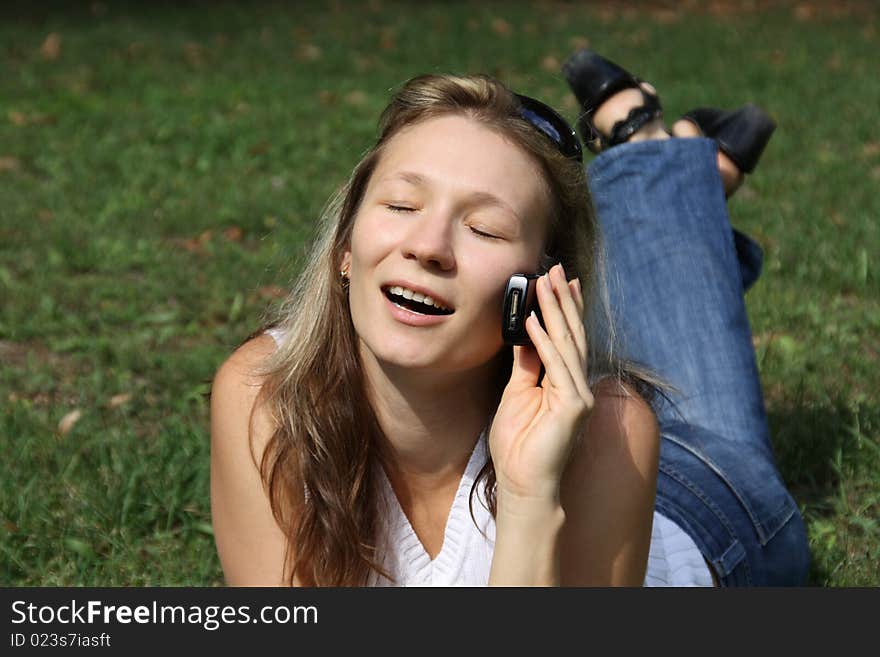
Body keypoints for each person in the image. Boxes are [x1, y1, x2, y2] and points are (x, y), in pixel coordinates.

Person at [209, 50, 810, 586]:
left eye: (484, 228)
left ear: (541, 287)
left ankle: (658, 160)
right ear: (345, 245)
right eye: (400, 204)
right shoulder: (268, 396)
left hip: (705, 509)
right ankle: (667, 167)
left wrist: (528, 495)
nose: (428, 245)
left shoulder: (612, 431)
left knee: (678, 419)